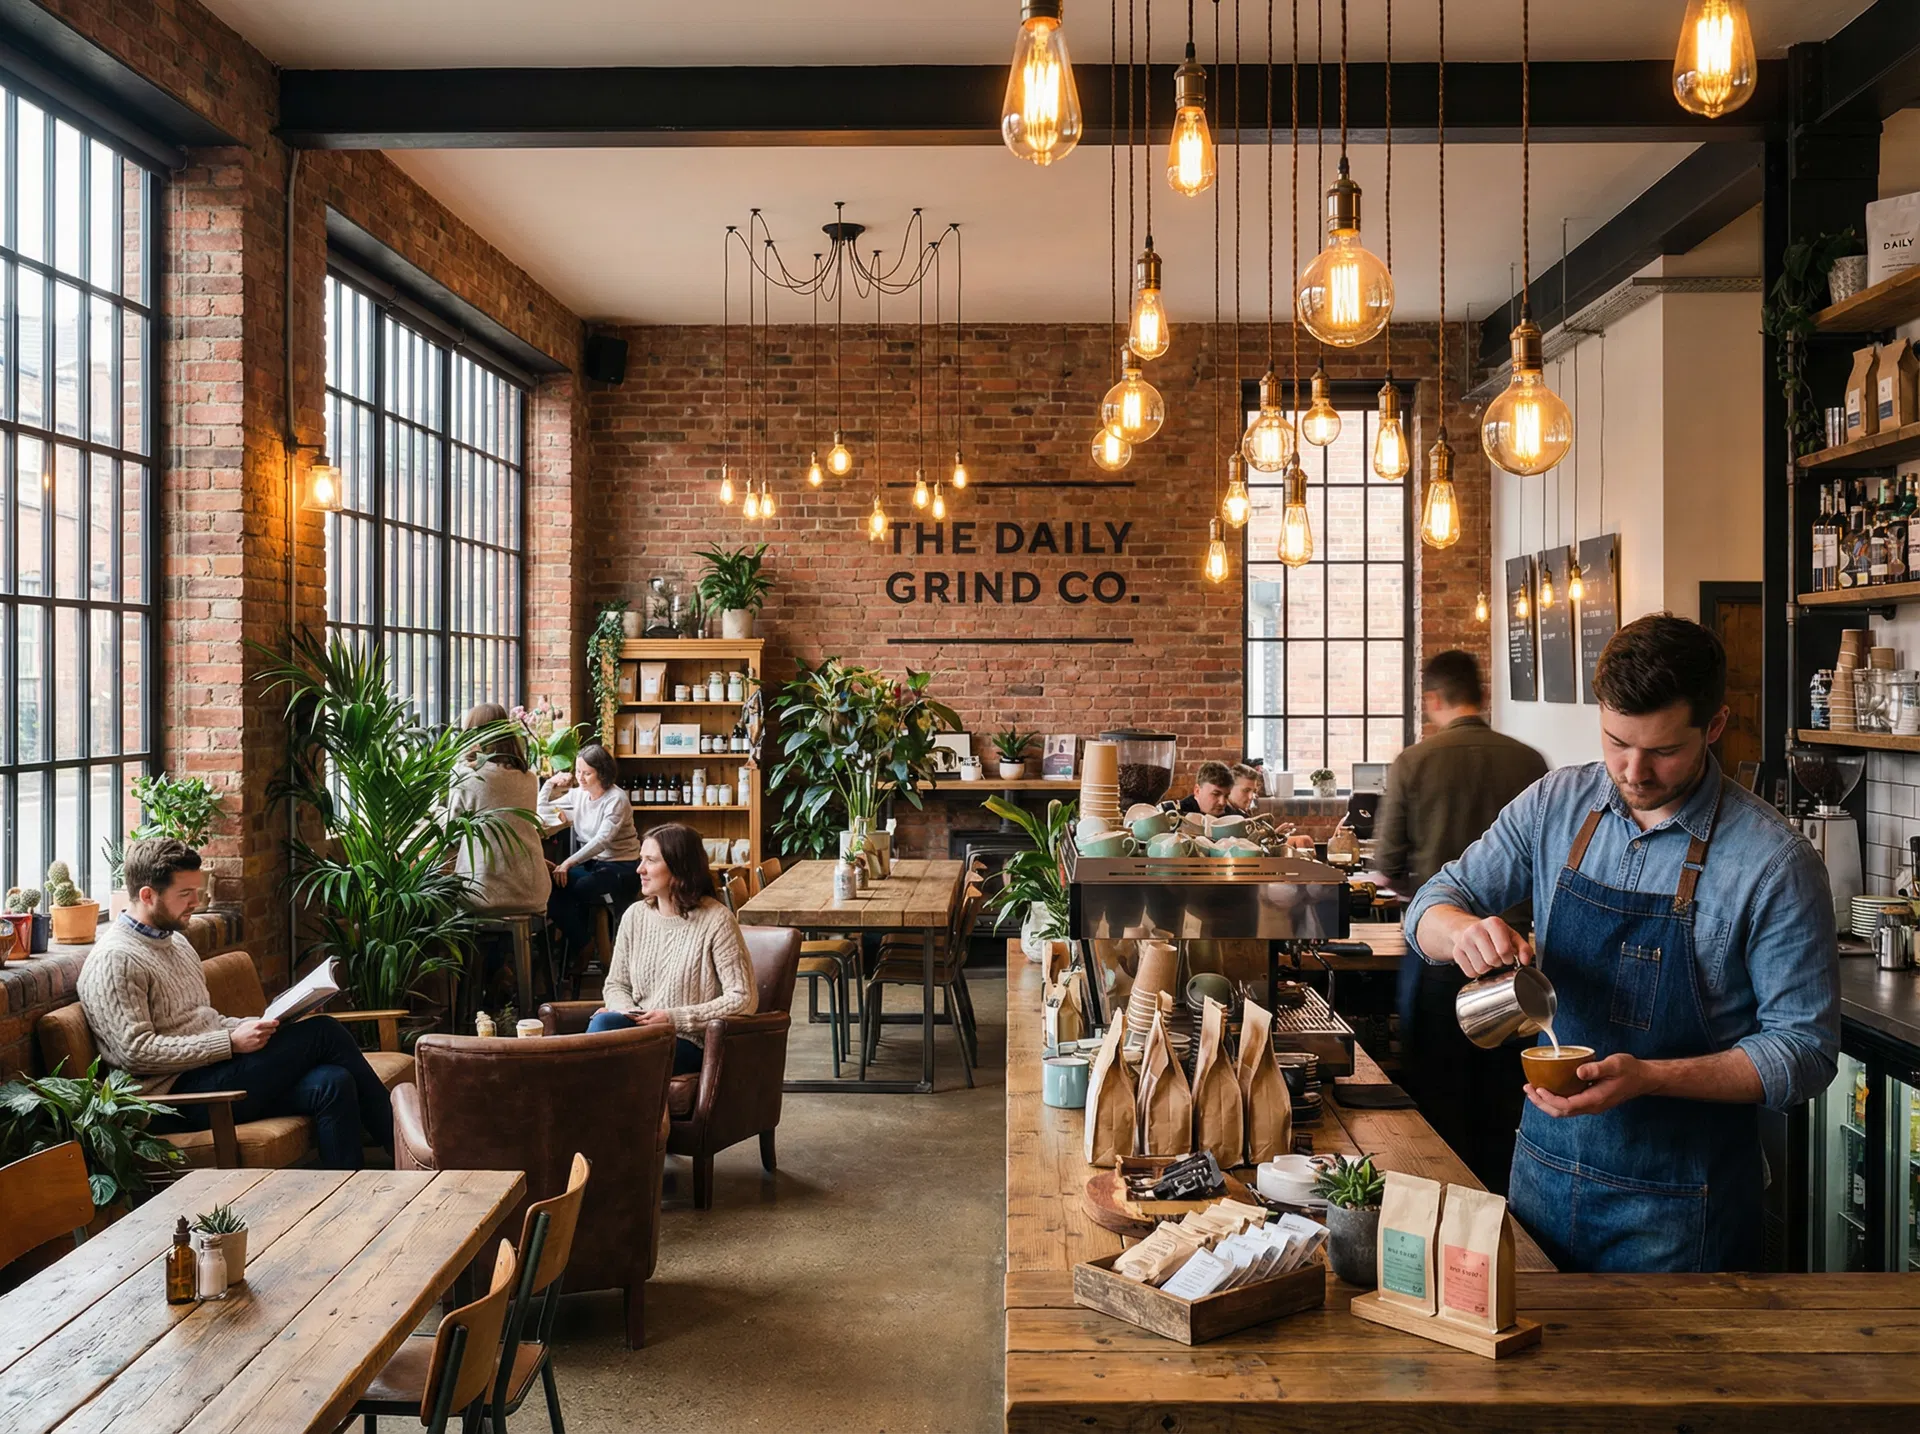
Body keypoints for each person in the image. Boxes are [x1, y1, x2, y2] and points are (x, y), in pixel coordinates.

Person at [1406, 615, 1838, 1272]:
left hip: (1683, 1209)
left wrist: (1649, 1079)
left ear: (1714, 726)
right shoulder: (1555, 804)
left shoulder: (1773, 862)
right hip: (1542, 1178)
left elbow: (1804, 1052)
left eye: (1662, 750)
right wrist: (1463, 931)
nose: (1632, 771)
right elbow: (1428, 907)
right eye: (1615, 742)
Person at [76, 837, 394, 1170]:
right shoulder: (116, 959)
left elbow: (202, 1019)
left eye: (196, 892)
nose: (196, 902)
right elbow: (135, 1052)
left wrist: (254, 1025)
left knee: (333, 1082)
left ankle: (347, 1200)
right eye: (185, 894)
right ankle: (409, 1149)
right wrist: (228, 1042)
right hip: (173, 1100)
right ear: (146, 895)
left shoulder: (177, 943)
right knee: (324, 1033)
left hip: (210, 1073)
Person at [1375, 650, 1549, 1192]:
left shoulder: (1415, 762)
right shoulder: (1531, 764)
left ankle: (1446, 1220)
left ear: (1433, 701)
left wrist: (1436, 907)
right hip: (1519, 969)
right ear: (1484, 693)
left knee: (1437, 1103)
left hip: (1440, 960)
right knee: (1510, 1106)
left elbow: (1387, 865)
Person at [585, 823, 756, 1076]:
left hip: (687, 1041)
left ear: (679, 868)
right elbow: (616, 985)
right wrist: (625, 1011)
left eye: (650, 861)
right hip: (638, 1031)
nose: (639, 869)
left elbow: (743, 998)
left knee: (593, 1051)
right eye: (641, 859)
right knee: (605, 1023)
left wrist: (672, 1018)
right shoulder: (635, 916)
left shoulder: (716, 920)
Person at [547, 742, 642, 969]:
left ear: (603, 772)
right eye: (578, 771)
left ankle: (584, 947)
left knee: (575, 887)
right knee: (552, 885)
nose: (580, 777)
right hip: (595, 864)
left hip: (622, 866)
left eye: (587, 773)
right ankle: (583, 944)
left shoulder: (616, 799)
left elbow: (602, 841)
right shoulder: (580, 794)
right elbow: (542, 807)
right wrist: (550, 783)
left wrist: (567, 862)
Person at [450, 702, 547, 917]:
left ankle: (468, 952)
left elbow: (452, 829)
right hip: (532, 890)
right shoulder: (529, 778)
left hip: (482, 893)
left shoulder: (466, 776)